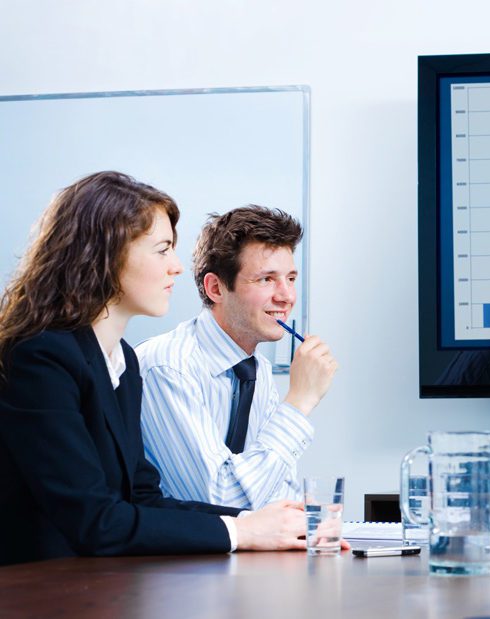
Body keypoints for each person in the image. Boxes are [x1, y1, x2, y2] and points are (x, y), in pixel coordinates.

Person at [0, 172, 308, 565]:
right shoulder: (40, 357)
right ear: (105, 255)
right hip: (39, 592)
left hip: (98, 587)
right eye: (162, 250)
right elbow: (95, 521)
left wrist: (269, 526)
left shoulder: (121, 361)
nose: (177, 268)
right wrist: (244, 530)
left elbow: (142, 498)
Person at [136, 205, 337, 509]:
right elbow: (220, 500)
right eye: (267, 279)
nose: (286, 296)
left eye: (291, 278)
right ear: (216, 288)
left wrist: (298, 510)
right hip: (170, 555)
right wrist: (299, 402)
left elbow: (271, 491)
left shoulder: (258, 371)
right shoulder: (168, 367)